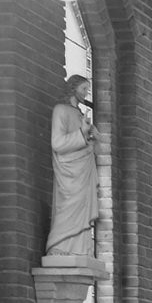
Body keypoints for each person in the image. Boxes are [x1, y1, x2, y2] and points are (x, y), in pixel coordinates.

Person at [46, 75, 100, 262]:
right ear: (73, 88)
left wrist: (93, 139)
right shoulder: (60, 110)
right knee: (68, 207)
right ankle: (59, 246)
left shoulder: (79, 114)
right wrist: (81, 133)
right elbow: (58, 143)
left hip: (83, 170)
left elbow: (86, 144)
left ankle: (81, 249)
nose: (86, 93)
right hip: (69, 172)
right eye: (84, 89)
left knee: (83, 209)